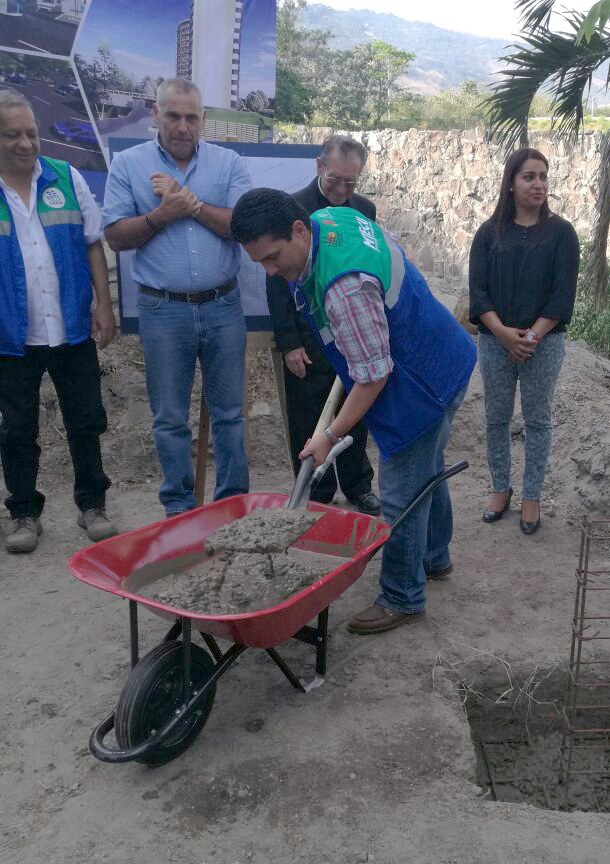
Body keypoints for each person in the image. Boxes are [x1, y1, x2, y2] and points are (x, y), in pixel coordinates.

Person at [231, 190, 476, 635]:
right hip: (442, 354)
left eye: (272, 257)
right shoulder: (331, 220)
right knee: (427, 469)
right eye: (259, 262)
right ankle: (434, 558)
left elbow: (374, 375)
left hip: (421, 381)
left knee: (401, 491)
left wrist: (328, 436)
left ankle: (402, 596)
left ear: (298, 230)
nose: (270, 271)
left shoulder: (344, 287)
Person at [0, 89, 118, 553]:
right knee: (17, 429)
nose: (26, 144)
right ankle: (24, 514)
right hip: (8, 333)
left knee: (86, 420)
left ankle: (92, 505)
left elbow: (93, 244)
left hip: (71, 327)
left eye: (32, 133)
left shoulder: (66, 177)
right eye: (13, 135)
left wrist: (104, 304)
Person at [103, 78, 252, 517]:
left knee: (230, 415)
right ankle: (180, 512)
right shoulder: (128, 165)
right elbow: (115, 237)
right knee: (169, 418)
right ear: (156, 114)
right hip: (162, 309)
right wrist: (160, 215)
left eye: (191, 117)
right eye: (173, 116)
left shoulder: (229, 162)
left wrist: (191, 204)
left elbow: (243, 226)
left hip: (223, 306)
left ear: (202, 119)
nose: (182, 126)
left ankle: (233, 508)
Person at [265, 135, 381, 515]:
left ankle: (358, 484)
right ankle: (318, 490)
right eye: (335, 180)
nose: (342, 190)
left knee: (355, 408)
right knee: (308, 414)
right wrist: (289, 342)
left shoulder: (364, 210)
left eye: (351, 182)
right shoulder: (292, 209)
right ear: (319, 166)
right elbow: (276, 280)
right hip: (308, 334)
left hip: (352, 330)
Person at [468, 147, 579, 535]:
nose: (538, 184)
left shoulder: (562, 234)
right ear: (511, 183)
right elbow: (478, 292)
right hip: (494, 341)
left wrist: (530, 337)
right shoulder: (489, 233)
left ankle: (532, 496)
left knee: (538, 420)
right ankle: (500, 488)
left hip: (543, 344)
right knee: (496, 418)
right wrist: (502, 333)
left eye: (543, 176)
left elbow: (563, 295)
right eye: (529, 176)